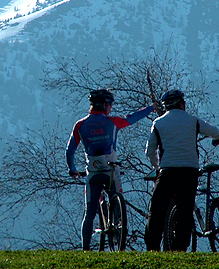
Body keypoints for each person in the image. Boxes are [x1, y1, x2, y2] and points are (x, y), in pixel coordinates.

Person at [66, 89, 154, 250]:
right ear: (104, 104)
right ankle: (118, 238)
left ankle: (85, 250)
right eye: (110, 105)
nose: (111, 108)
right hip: (111, 171)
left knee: (89, 213)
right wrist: (150, 108)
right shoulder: (112, 121)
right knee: (117, 204)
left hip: (93, 173)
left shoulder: (80, 125)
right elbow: (132, 118)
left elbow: (70, 150)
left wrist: (72, 168)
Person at [144, 89, 219, 251]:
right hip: (189, 172)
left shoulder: (158, 123)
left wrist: (158, 167)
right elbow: (214, 132)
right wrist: (217, 139)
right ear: (181, 104)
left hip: (167, 171)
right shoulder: (193, 121)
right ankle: (179, 249)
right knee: (185, 212)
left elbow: (150, 151)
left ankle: (152, 247)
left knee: (157, 210)